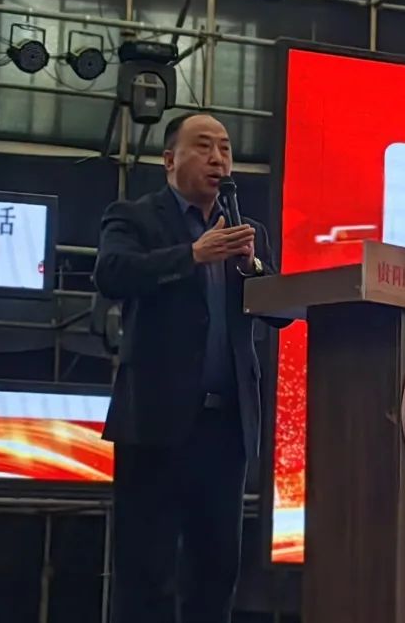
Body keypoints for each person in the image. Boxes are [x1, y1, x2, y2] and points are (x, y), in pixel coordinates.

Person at [93, 112, 289, 623]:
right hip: (154, 424)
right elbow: (111, 274)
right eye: (203, 146)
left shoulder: (247, 232)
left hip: (225, 428)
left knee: (217, 568)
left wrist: (253, 269)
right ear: (169, 159)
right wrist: (192, 255)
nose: (217, 159)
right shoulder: (134, 217)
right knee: (146, 570)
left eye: (224, 149)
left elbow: (280, 312)